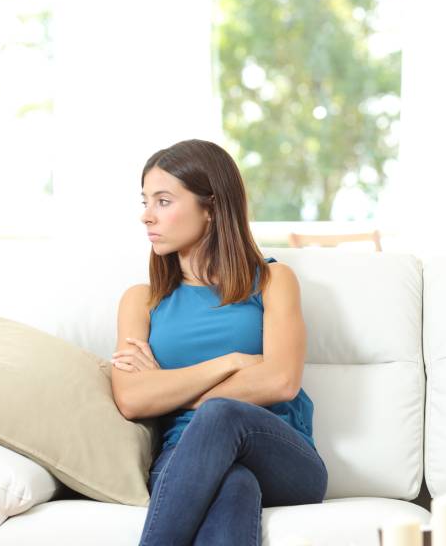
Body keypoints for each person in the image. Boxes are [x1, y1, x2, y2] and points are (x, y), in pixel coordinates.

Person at [111, 139, 327, 546]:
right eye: (145, 201)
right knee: (235, 484)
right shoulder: (141, 300)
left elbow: (281, 381)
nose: (146, 215)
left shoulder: (273, 281)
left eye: (163, 201)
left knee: (222, 414)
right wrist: (230, 362)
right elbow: (131, 399)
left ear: (210, 208)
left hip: (282, 456)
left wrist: (170, 391)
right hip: (181, 459)